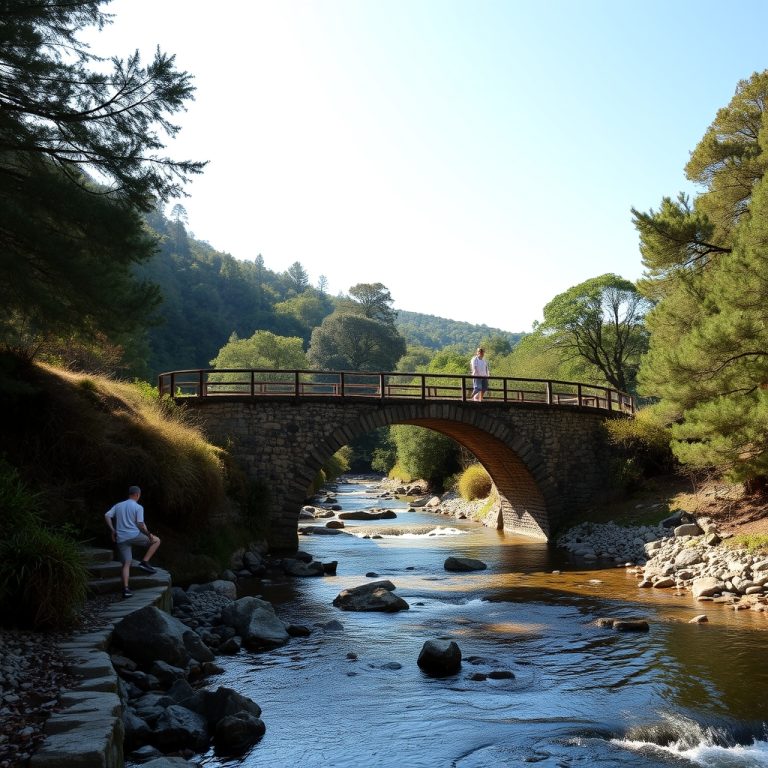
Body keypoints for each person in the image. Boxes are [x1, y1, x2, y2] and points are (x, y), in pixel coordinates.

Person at [104, 486, 161, 598]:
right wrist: (149, 534)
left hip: (121, 538)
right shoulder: (138, 507)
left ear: (130, 494)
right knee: (157, 541)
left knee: (126, 563)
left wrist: (113, 530)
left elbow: (107, 515)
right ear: (137, 495)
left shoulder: (118, 505)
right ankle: (144, 562)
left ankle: (126, 589)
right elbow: (140, 524)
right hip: (134, 535)